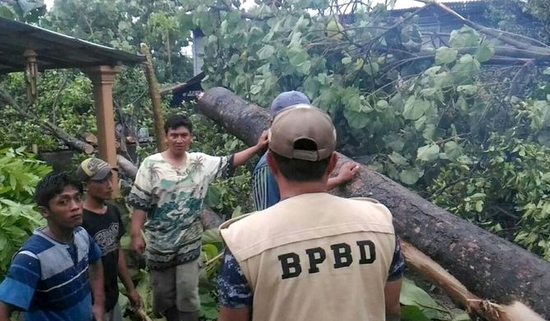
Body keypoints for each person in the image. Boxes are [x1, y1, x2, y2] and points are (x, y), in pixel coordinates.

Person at [218, 105, 404, 321]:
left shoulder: (243, 241)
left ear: (270, 162)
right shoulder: (380, 224)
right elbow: (391, 309)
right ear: (333, 162)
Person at [127, 114, 268, 321]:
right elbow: (140, 202)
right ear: (166, 137)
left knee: (188, 293)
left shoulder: (200, 162)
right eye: (174, 135)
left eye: (184, 135)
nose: (179, 140)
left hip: (189, 239)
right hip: (159, 242)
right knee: (163, 296)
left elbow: (230, 162)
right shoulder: (151, 165)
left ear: (191, 138)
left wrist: (257, 147)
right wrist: (135, 234)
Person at [0, 172, 105, 321]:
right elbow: (3, 307)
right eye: (63, 202)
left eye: (77, 198)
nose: (75, 207)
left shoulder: (81, 235)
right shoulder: (32, 257)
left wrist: (98, 304)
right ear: (44, 211)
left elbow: (96, 261)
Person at [252, 91, 359, 210]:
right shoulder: (265, 169)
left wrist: (338, 180)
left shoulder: (271, 163)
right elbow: (265, 214)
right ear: (332, 162)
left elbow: (305, 188)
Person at [77, 158, 142, 321]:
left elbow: (116, 251)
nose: (109, 184)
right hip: (90, 303)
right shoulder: (79, 220)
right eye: (101, 180)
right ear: (85, 186)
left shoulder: (112, 211)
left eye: (109, 178)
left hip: (112, 297)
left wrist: (130, 288)